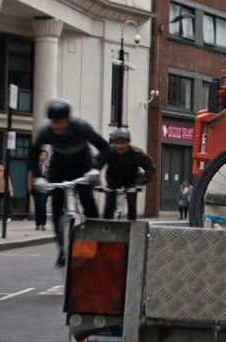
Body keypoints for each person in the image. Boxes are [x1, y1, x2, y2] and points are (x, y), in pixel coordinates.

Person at [28, 99, 111, 267]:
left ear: (67, 119)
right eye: (53, 122)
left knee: (87, 201)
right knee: (57, 205)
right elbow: (32, 155)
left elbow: (105, 148)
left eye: (60, 122)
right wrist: (38, 177)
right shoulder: (46, 132)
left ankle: (97, 241)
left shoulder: (81, 128)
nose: (57, 127)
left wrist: (96, 168)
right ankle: (61, 250)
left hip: (83, 165)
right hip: (59, 167)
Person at [102, 128, 155, 220]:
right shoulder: (108, 152)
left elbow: (150, 167)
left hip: (131, 181)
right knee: (108, 207)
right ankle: (106, 227)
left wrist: (141, 182)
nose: (120, 146)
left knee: (131, 204)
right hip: (113, 181)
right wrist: (95, 178)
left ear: (128, 143)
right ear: (113, 143)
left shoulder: (136, 153)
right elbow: (97, 163)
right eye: (117, 143)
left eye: (123, 143)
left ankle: (132, 226)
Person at [27, 150, 50, 231]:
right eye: (42, 155)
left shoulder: (48, 166)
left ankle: (43, 224)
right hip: (36, 188)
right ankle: (37, 224)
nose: (43, 157)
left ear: (47, 157)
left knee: (42, 205)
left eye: (45, 155)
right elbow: (30, 176)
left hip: (45, 188)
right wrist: (29, 187)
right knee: (37, 206)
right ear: (39, 156)